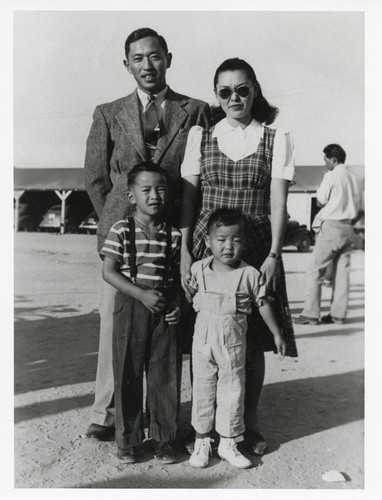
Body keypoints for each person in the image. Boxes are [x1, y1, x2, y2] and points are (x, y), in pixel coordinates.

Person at [84, 27, 211, 441]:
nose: (147, 65)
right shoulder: (108, 112)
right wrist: (119, 225)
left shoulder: (194, 109)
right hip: (123, 239)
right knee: (114, 323)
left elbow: (200, 174)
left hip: (173, 237)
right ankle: (107, 414)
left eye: (154, 56)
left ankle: (166, 419)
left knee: (169, 325)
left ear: (168, 59)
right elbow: (95, 178)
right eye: (137, 58)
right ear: (127, 65)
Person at [180, 57, 298, 456]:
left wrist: (274, 257)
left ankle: (245, 426)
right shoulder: (201, 135)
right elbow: (189, 199)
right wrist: (184, 252)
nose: (234, 98)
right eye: (225, 91)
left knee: (249, 343)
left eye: (242, 90)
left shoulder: (275, 138)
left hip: (256, 249)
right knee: (206, 343)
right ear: (216, 95)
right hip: (206, 249)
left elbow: (279, 203)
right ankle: (204, 431)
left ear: (255, 90)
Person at [188, 209, 286, 469]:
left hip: (232, 347)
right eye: (221, 239)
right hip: (203, 345)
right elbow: (188, 299)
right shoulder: (198, 270)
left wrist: (277, 333)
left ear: (245, 242)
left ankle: (228, 442)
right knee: (202, 390)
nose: (228, 246)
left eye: (236, 240)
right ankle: (202, 441)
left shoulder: (250, 274)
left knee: (232, 391)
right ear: (208, 241)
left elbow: (263, 305)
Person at [100, 162, 181, 463]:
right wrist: (140, 294)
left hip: (162, 308)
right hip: (132, 305)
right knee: (128, 373)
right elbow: (109, 272)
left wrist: (174, 307)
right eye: (146, 190)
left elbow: (175, 277)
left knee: (164, 374)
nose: (154, 195)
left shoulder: (173, 234)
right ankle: (128, 439)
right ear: (132, 195)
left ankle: (164, 438)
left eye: (160, 189)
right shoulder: (121, 229)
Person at [294, 144, 360, 325]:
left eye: (325, 159)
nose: (324, 163)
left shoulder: (331, 176)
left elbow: (321, 200)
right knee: (341, 273)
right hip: (348, 228)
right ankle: (338, 314)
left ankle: (311, 314)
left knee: (315, 269)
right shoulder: (353, 178)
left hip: (331, 226)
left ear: (333, 159)